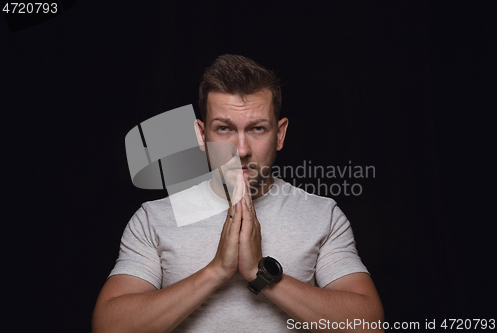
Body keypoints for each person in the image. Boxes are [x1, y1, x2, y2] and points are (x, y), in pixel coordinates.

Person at [92, 54, 384, 333]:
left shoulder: (323, 215)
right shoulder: (153, 218)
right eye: (224, 129)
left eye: (257, 129)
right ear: (201, 134)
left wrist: (263, 275)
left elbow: (369, 324)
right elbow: (108, 326)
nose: (241, 150)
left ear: (280, 134)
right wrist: (217, 270)